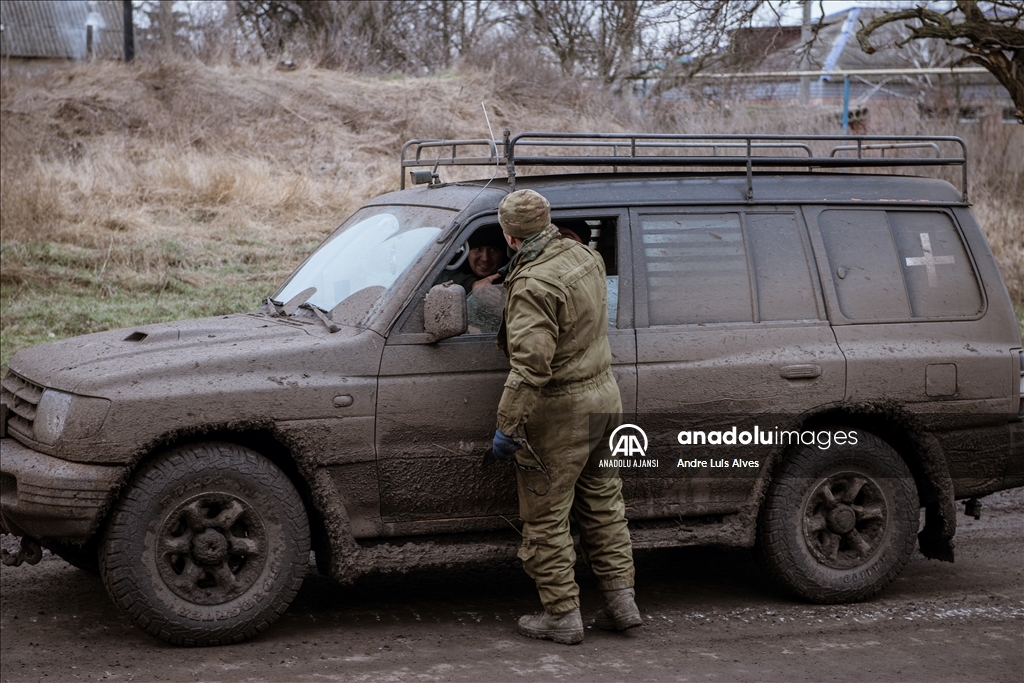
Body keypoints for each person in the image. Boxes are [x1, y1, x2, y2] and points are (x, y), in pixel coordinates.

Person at [488, 189, 640, 645]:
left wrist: (507, 423)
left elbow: (532, 364)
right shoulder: (584, 255)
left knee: (546, 517)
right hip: (605, 396)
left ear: (510, 237)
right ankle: (622, 603)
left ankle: (562, 616)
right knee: (604, 505)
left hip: (561, 411)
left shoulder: (534, 285)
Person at [434, 228, 507, 292]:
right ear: (467, 252)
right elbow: (432, 276)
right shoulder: (453, 263)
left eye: (493, 250)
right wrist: (471, 284)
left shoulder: (511, 273)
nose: (485, 258)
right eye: (478, 249)